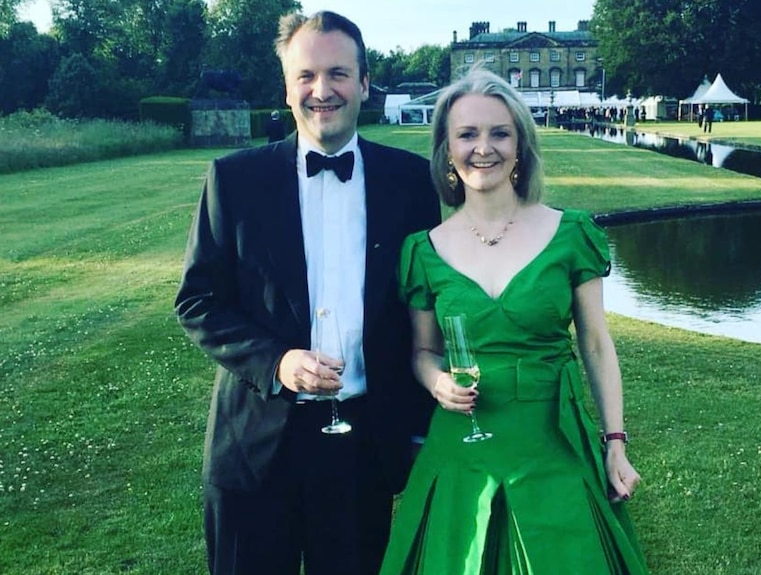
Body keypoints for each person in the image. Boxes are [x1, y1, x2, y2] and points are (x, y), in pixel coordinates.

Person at [174, 10, 440, 575]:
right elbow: (198, 301)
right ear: (288, 86)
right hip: (254, 448)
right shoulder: (234, 179)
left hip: (362, 450)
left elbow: (423, 308)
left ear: (366, 83)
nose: (323, 90)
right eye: (307, 76)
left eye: (339, 74)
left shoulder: (411, 183)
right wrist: (278, 362)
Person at [379, 68, 649, 574]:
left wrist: (615, 443)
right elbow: (422, 351)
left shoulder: (572, 234)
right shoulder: (423, 250)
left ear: (521, 144)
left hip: (552, 441)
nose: (484, 148)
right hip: (461, 445)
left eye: (499, 132)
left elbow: (595, 345)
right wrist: (437, 381)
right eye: (467, 134)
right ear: (447, 151)